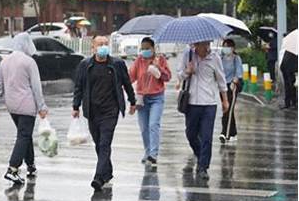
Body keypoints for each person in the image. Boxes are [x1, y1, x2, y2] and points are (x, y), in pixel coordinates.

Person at [72, 35, 136, 191]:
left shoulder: (117, 64)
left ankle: (98, 178)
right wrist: (76, 106)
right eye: (100, 44)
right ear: (93, 47)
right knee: (99, 145)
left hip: (110, 111)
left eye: (106, 44)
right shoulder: (85, 65)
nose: (103, 47)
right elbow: (79, 87)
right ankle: (107, 172)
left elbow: (127, 83)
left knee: (104, 144)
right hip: (92, 111)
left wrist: (133, 101)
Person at [0, 32, 48, 185]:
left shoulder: (5, 62)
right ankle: (13, 169)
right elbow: (36, 87)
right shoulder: (29, 62)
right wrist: (42, 106)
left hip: (12, 106)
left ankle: (31, 166)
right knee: (23, 136)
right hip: (27, 105)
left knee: (25, 134)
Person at [177, 41, 229, 180]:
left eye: (207, 43)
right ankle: (201, 155)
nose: (205, 46)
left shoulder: (215, 58)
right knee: (191, 134)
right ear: (195, 44)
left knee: (207, 136)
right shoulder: (188, 55)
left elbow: (221, 80)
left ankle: (203, 167)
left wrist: (225, 100)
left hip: (209, 103)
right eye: (201, 44)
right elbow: (179, 76)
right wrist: (187, 72)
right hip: (192, 103)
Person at [129, 37, 171, 165]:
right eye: (142, 49)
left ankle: (153, 154)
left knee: (153, 125)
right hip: (142, 99)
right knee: (143, 128)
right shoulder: (139, 61)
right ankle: (147, 152)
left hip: (156, 97)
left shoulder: (160, 59)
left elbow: (167, 77)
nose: (145, 51)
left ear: (153, 48)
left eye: (147, 48)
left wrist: (159, 68)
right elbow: (130, 76)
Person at [219, 39, 243, 143]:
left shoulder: (236, 58)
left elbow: (239, 72)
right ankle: (233, 133)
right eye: (224, 46)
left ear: (233, 48)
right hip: (222, 86)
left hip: (232, 86)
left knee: (228, 110)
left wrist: (234, 81)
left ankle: (225, 133)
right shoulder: (220, 58)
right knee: (226, 109)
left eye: (228, 46)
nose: (226, 48)